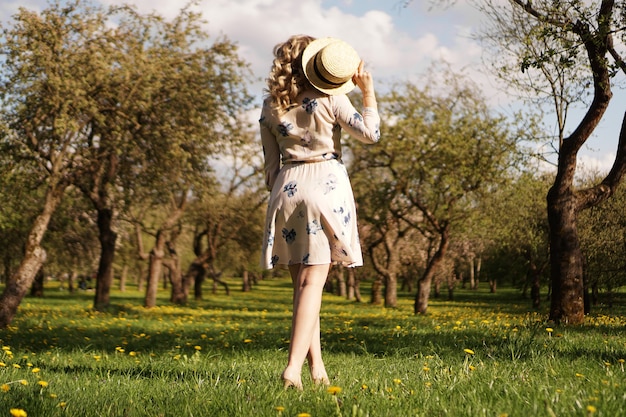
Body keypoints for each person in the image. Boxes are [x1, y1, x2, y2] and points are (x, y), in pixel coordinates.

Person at [259, 35, 380, 390]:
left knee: (303, 288)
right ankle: (293, 368)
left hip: (287, 188)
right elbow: (371, 133)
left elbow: (269, 170)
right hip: (325, 184)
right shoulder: (333, 98)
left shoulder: (270, 106)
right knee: (314, 284)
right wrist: (368, 93)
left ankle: (317, 368)